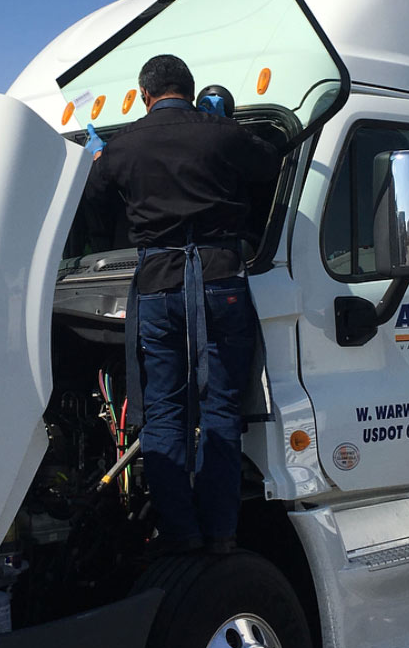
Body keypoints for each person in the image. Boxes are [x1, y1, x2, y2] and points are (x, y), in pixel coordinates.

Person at [82, 54, 280, 553]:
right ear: (188, 90)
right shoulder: (221, 134)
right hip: (221, 280)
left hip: (157, 285)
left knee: (165, 412)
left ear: (145, 95)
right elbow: (272, 166)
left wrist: (102, 159)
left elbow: (91, 209)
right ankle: (221, 534)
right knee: (221, 408)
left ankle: (179, 534)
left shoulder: (123, 148)